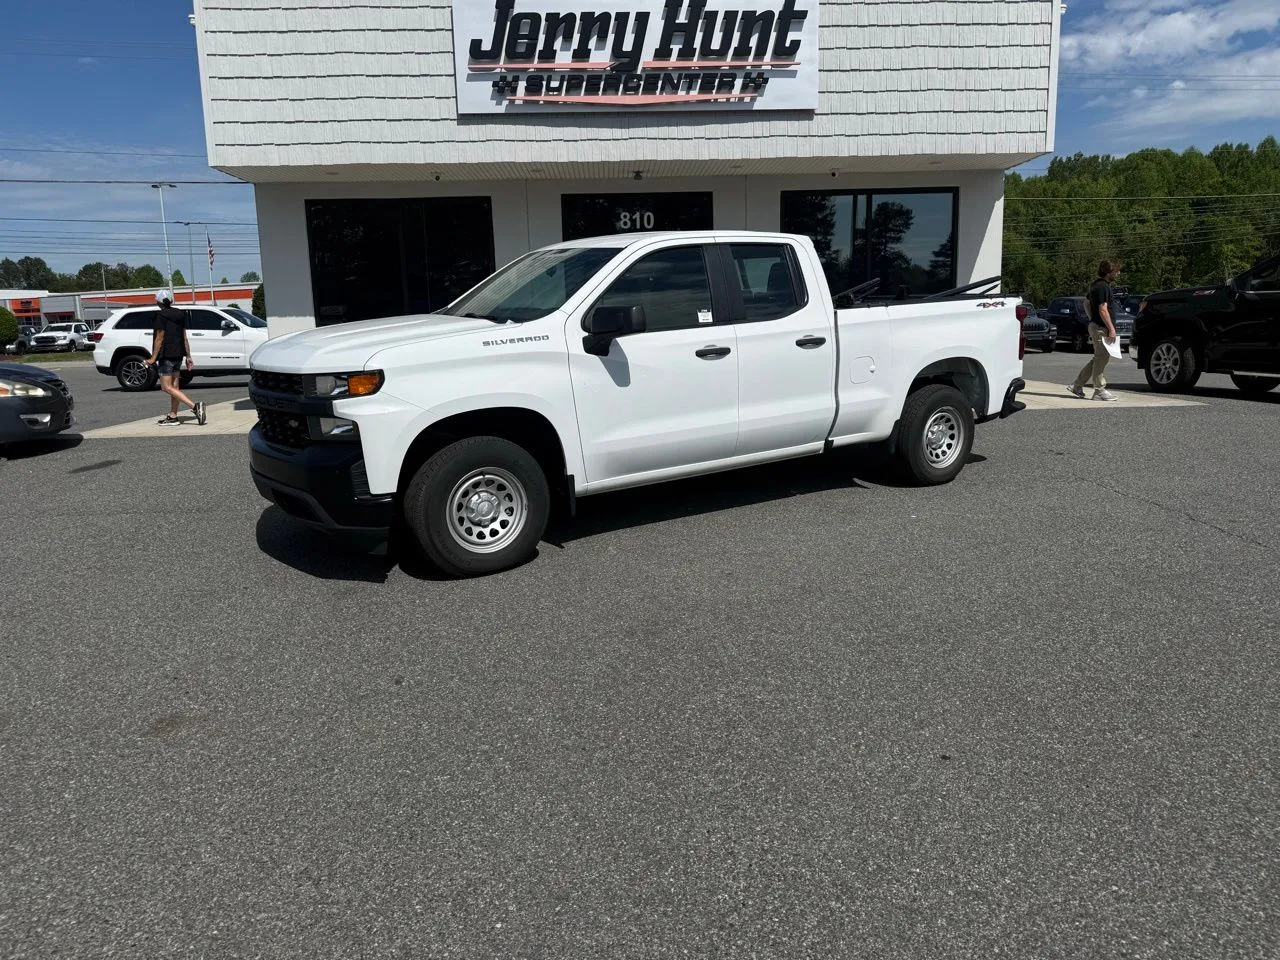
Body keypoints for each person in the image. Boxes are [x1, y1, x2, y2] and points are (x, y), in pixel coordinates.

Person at [145, 291, 206, 425]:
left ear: (158, 301)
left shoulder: (160, 316)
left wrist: (153, 358)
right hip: (178, 354)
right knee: (174, 387)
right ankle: (173, 416)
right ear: (171, 301)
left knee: (166, 387)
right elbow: (184, 336)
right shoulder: (179, 314)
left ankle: (195, 407)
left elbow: (159, 338)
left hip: (166, 354)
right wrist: (188, 356)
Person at [1067, 260, 1122, 402]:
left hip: (1097, 326)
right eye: (1116, 271)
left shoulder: (1096, 285)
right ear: (1109, 272)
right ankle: (1099, 390)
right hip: (1101, 328)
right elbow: (1103, 309)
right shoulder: (1103, 287)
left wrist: (1092, 318)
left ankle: (1077, 385)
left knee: (1098, 358)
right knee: (1101, 358)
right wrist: (1111, 329)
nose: (1118, 273)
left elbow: (1086, 302)